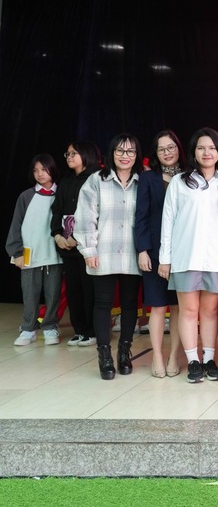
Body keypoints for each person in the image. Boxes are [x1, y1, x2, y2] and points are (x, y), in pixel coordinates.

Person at [159, 128, 218, 383]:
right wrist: (165, 258)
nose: (206, 153)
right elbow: (168, 221)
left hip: (215, 257)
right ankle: (193, 361)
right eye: (201, 148)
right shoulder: (179, 182)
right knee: (188, 310)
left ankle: (209, 359)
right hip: (185, 256)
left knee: (210, 311)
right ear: (193, 152)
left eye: (211, 148)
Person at [74, 134, 143, 380]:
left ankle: (124, 352)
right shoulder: (97, 180)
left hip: (133, 254)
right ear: (111, 153)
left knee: (129, 304)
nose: (125, 156)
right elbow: (85, 216)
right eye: (120, 151)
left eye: (130, 151)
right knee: (102, 303)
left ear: (137, 155)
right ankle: (104, 355)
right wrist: (89, 250)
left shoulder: (142, 181)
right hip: (103, 252)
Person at [134, 130, 185, 377]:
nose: (167, 152)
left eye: (171, 147)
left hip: (183, 252)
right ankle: (157, 356)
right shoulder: (148, 179)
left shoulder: (189, 177)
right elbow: (141, 217)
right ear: (155, 153)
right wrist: (142, 250)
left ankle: (174, 356)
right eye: (161, 149)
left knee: (177, 307)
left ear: (178, 148)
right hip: (154, 253)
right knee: (157, 306)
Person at [6, 154, 64, 346]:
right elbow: (16, 225)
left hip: (54, 255)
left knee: (53, 293)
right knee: (29, 294)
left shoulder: (61, 194)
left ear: (52, 170)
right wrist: (17, 252)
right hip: (30, 254)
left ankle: (50, 326)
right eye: (35, 170)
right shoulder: (26, 196)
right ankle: (28, 328)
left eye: (44, 169)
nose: (40, 174)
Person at [51, 141, 102, 347]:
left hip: (88, 245)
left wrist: (78, 238)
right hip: (67, 246)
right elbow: (57, 210)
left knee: (90, 290)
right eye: (68, 154)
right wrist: (57, 235)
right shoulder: (65, 181)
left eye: (74, 153)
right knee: (74, 290)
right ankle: (79, 330)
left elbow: (99, 212)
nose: (69, 157)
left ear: (86, 154)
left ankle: (92, 331)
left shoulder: (97, 178)